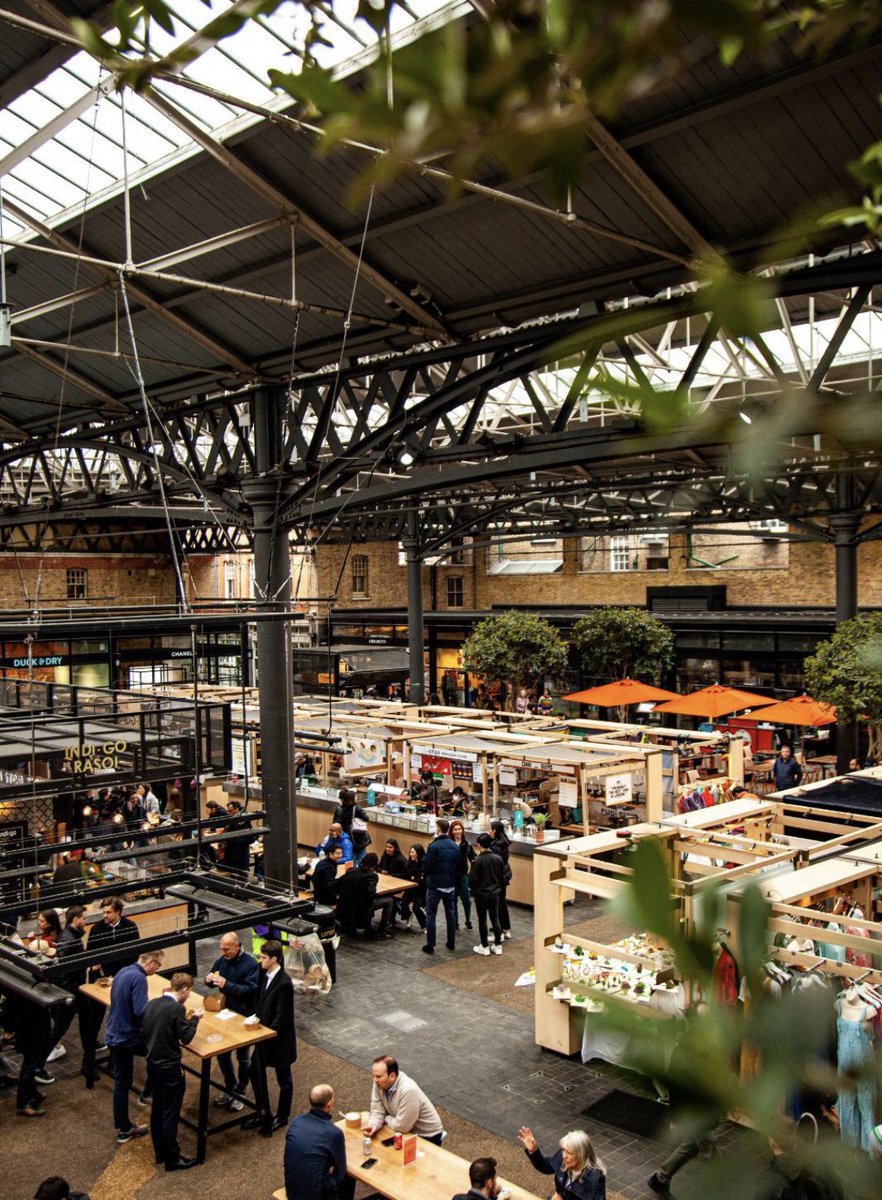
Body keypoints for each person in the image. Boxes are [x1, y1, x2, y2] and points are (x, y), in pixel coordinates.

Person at [142, 971, 202, 1170]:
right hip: (170, 1068)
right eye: (189, 992)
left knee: (157, 1109)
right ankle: (172, 1157)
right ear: (184, 990)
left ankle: (159, 1151)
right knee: (171, 1112)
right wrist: (194, 1020)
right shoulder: (176, 1009)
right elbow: (186, 1037)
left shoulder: (151, 1004)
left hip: (153, 1065)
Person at [105, 950, 165, 1143]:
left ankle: (124, 1127)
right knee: (160, 1052)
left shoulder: (123, 971)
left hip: (113, 1033)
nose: (157, 969)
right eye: (158, 965)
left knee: (121, 1083)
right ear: (151, 962)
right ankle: (148, 1093)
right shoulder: (139, 978)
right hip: (128, 1036)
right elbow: (141, 1011)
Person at [244, 939, 296, 1134]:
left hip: (278, 1040)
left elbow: (282, 1016)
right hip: (264, 1036)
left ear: (274, 959)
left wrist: (267, 1032)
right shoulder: (263, 974)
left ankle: (282, 1116)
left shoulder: (284, 983)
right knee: (254, 1072)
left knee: (284, 1078)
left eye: (264, 957)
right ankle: (262, 1110)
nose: (260, 960)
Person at [205, 931, 258, 1111]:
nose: (223, 953)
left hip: (244, 1016)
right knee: (223, 1053)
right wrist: (209, 979)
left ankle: (241, 1090)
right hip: (225, 1014)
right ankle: (230, 1086)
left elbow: (250, 990)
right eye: (221, 949)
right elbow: (213, 973)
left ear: (237, 946)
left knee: (243, 1057)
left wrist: (225, 984)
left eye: (227, 949)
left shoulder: (251, 964)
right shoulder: (223, 960)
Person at [284, 1083, 354, 1200]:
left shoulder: (296, 1122)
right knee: (348, 1179)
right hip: (317, 1195)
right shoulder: (333, 1133)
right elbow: (340, 1173)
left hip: (292, 1191)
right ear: (329, 1104)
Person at [364, 1054, 444, 1143]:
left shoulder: (408, 1090)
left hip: (427, 1135)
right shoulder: (379, 1084)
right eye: (373, 1075)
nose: (375, 1080)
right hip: (407, 1130)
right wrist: (373, 1125)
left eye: (378, 1076)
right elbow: (377, 1111)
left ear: (392, 1076)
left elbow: (402, 1127)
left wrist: (386, 1118)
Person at [517, 1127, 606, 1200]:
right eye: (563, 1150)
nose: (564, 1156)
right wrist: (533, 1150)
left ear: (581, 1155)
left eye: (569, 1152)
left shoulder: (595, 1177)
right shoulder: (564, 1158)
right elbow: (545, 1166)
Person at [422, 817, 461, 955]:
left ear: (438, 828)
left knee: (431, 914)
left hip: (435, 885)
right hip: (450, 884)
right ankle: (451, 942)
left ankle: (430, 944)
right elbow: (459, 866)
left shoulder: (433, 846)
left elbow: (427, 865)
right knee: (450, 913)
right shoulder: (455, 846)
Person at [336, 852, 394, 938]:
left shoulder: (351, 871)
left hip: (346, 906)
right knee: (389, 900)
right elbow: (370, 894)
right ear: (374, 865)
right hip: (361, 908)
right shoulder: (372, 876)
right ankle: (382, 931)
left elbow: (338, 884)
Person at [469, 833, 505, 955]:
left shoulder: (478, 861)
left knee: (482, 920)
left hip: (481, 895)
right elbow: (502, 877)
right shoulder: (498, 859)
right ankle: (498, 945)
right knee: (495, 918)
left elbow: (472, 879)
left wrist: (474, 890)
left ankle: (484, 946)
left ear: (479, 845)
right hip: (494, 893)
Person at [333, 788, 371, 867]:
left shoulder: (342, 809)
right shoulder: (357, 808)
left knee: (352, 858)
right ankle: (361, 873)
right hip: (359, 837)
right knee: (361, 857)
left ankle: (352, 872)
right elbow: (366, 818)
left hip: (348, 837)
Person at [449, 819, 475, 931]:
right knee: (453, 900)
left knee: (466, 900)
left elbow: (473, 858)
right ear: (451, 831)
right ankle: (455, 923)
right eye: (455, 829)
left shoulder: (467, 843)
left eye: (459, 829)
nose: (458, 831)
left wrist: (471, 873)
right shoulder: (449, 843)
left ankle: (468, 920)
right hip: (452, 876)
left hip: (463, 875)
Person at [489, 820, 513, 940]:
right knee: (502, 901)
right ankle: (505, 927)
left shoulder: (495, 846)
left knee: (497, 903)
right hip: (504, 875)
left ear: (494, 830)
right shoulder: (505, 842)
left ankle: (500, 929)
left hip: (496, 877)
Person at [222, 800, 253, 874]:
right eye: (228, 811)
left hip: (240, 853)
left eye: (230, 811)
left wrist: (231, 839)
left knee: (241, 874)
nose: (229, 813)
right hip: (231, 852)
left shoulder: (245, 819)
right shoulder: (233, 820)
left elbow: (249, 838)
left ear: (236, 809)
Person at [401, 844, 426, 931]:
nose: (411, 854)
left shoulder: (424, 864)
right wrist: (416, 879)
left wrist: (414, 879)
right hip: (410, 890)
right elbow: (407, 877)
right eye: (410, 852)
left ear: (418, 853)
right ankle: (407, 915)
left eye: (413, 852)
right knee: (403, 904)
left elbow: (423, 881)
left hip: (421, 892)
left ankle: (425, 925)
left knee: (416, 908)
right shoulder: (409, 864)